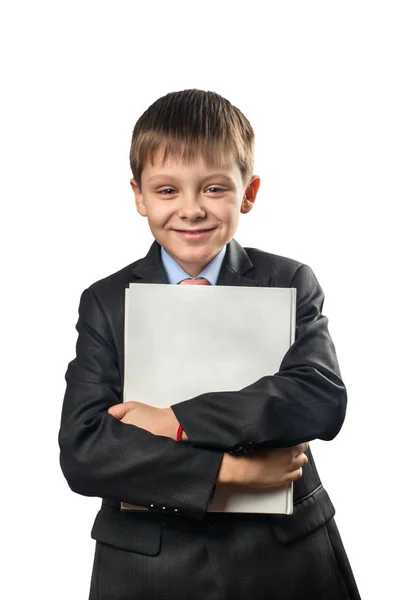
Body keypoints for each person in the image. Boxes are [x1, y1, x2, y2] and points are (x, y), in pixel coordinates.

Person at [59, 89, 361, 600]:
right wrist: (231, 471)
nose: (192, 209)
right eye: (167, 190)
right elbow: (86, 449)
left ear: (249, 192)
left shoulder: (289, 281)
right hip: (148, 564)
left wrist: (174, 419)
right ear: (138, 196)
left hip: (287, 556)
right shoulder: (106, 301)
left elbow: (318, 398)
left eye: (215, 188)